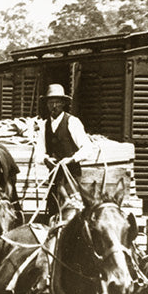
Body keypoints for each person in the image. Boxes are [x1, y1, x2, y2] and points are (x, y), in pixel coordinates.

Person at [39, 83, 95, 222]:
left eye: (57, 102)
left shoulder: (72, 122)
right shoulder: (43, 126)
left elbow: (87, 148)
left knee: (72, 215)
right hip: (55, 179)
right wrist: (46, 159)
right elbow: (39, 151)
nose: (53, 106)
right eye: (50, 102)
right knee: (53, 215)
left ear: (63, 104)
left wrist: (71, 159)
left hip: (71, 179)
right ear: (46, 104)